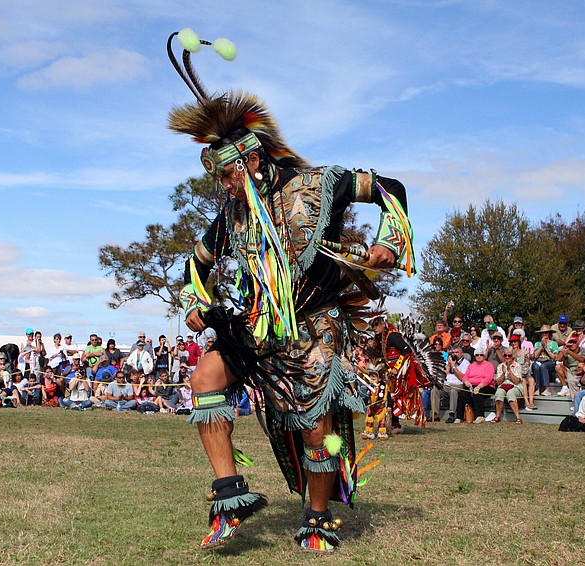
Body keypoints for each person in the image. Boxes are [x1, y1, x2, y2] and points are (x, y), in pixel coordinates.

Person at [167, 31, 417, 554]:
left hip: (313, 324)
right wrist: (195, 300)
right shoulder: (231, 214)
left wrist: (388, 245)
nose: (225, 187)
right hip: (258, 325)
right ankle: (229, 493)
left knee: (315, 426)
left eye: (229, 175)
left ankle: (318, 515)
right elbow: (197, 261)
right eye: (219, 178)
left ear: (253, 161)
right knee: (205, 377)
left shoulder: (318, 185)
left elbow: (390, 189)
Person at [456, 349, 495, 424]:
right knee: (462, 394)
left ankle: (480, 415)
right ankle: (459, 417)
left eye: (481, 355)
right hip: (472, 385)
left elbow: (489, 378)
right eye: (477, 355)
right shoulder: (472, 365)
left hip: (486, 386)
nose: (479, 356)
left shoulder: (489, 365)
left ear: (484, 356)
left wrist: (479, 386)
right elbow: (465, 376)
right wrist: (466, 381)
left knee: (477, 393)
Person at [490, 347, 523, 423]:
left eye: (509, 355)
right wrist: (503, 373)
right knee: (499, 393)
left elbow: (517, 381)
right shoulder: (500, 366)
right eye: (505, 355)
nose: (507, 357)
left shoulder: (517, 366)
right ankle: (497, 416)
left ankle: (518, 417)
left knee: (510, 393)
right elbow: (498, 382)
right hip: (503, 385)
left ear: (513, 357)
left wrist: (509, 372)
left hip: (515, 386)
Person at [442, 344, 470, 422]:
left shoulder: (466, 363)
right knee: (435, 389)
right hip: (447, 384)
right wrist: (449, 365)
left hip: (459, 385)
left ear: (461, 353)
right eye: (453, 352)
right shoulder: (450, 362)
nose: (454, 354)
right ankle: (435, 414)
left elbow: (462, 377)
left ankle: (451, 414)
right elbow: (444, 375)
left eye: (457, 352)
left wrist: (454, 367)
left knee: (453, 390)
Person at [531, 325, 559, 396]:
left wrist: (546, 348)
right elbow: (535, 356)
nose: (544, 335)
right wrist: (541, 346)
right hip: (539, 361)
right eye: (542, 333)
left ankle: (547, 388)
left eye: (546, 333)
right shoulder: (537, 344)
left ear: (549, 334)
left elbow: (554, 357)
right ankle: (537, 388)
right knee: (535, 366)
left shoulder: (554, 343)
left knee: (544, 366)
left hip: (549, 362)